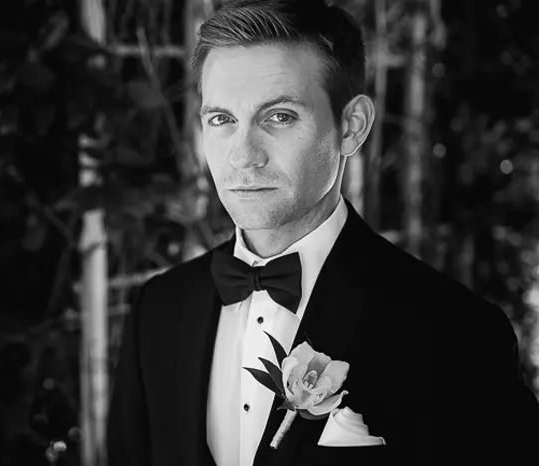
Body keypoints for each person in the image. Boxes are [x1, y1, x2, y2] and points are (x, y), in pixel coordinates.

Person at [107, 1, 539, 465]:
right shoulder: (159, 309)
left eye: (279, 116)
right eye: (222, 119)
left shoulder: (457, 333)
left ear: (352, 127)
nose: (243, 155)